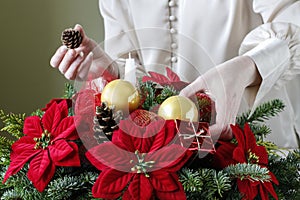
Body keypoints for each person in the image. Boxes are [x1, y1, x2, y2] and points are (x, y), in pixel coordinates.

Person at [50, 0, 300, 149]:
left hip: (257, 151)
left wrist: (247, 67)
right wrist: (112, 73)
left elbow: (294, 24)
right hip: (167, 164)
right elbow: (132, 67)